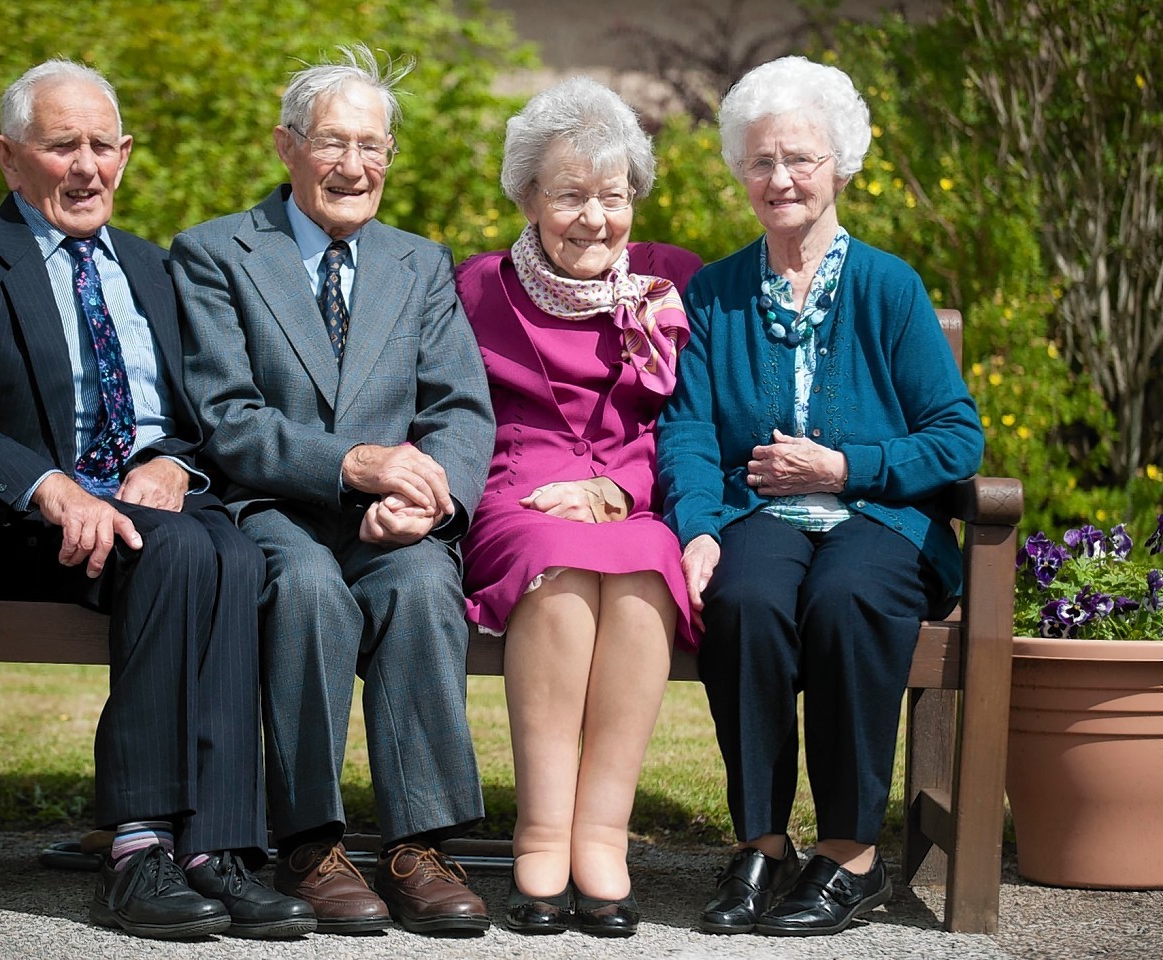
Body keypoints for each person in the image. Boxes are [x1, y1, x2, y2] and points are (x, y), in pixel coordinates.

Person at [0, 60, 314, 942]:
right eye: (60, 145)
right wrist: (50, 485)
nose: (86, 167)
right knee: (186, 550)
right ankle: (138, 847)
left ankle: (217, 850)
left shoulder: (156, 269)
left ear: (126, 154)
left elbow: (195, 419)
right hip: (22, 528)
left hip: (149, 511)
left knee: (231, 548)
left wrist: (176, 466)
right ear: (8, 159)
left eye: (102, 146)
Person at [656, 55, 984, 938]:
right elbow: (684, 429)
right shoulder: (715, 292)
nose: (780, 179)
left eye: (800, 158)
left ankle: (850, 855)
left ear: (841, 165)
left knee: (845, 601)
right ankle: (761, 845)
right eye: (760, 161)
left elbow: (956, 438)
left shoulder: (887, 287)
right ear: (740, 170)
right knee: (749, 599)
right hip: (756, 515)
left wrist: (845, 468)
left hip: (878, 517)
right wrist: (694, 528)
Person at [171, 45, 495, 936]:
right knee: (308, 591)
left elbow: (461, 411)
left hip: (391, 520)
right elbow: (227, 417)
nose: (354, 166)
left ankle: (418, 847)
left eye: (373, 146)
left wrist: (432, 497)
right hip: (274, 509)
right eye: (332, 143)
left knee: (426, 584)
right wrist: (354, 464)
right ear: (286, 147)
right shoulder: (215, 253)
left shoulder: (419, 262)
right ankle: (309, 844)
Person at [455, 77, 701, 938]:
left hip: (633, 499)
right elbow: (448, 414)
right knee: (555, 572)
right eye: (569, 196)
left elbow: (692, 424)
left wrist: (620, 490)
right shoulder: (477, 287)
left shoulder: (671, 281)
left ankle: (601, 835)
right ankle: (539, 834)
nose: (594, 218)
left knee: (642, 578)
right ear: (527, 195)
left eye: (612, 195)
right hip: (517, 495)